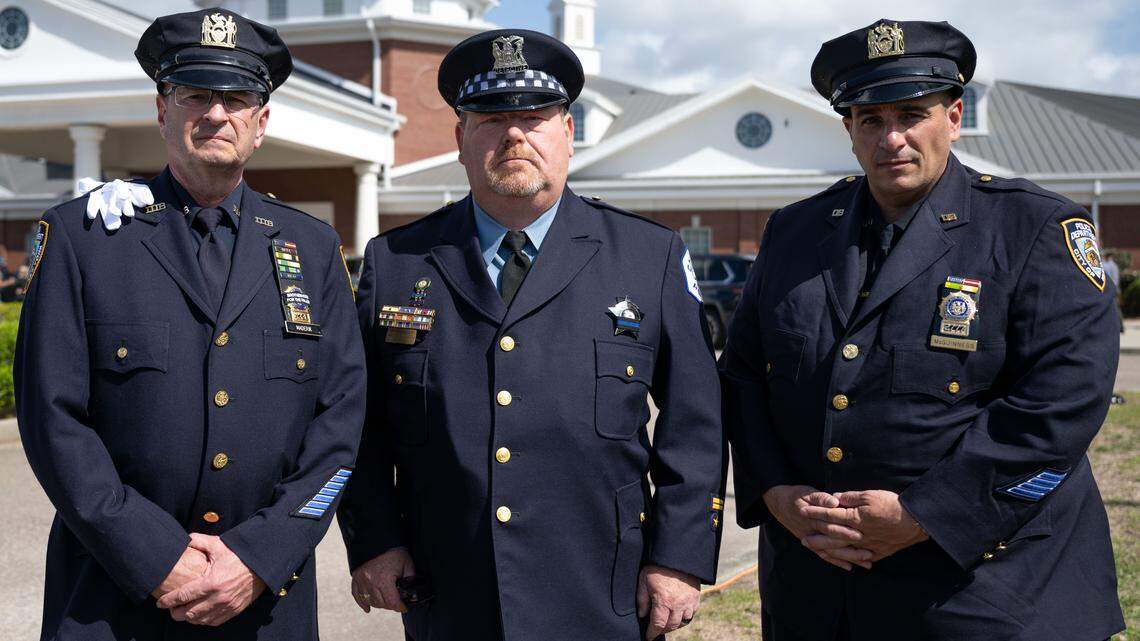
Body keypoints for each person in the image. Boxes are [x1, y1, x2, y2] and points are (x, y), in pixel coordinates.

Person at [721, 19, 1124, 641]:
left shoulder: (1034, 229)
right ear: (849, 129)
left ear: (954, 115)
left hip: (987, 592)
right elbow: (744, 375)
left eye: (912, 113)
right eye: (871, 119)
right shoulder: (794, 234)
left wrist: (922, 516)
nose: (893, 138)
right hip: (818, 593)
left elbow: (1062, 401)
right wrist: (775, 491)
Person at [336, 29, 725, 641]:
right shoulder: (399, 261)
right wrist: (375, 541)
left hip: (604, 588)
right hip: (449, 589)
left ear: (568, 133)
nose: (514, 134)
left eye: (534, 117)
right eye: (491, 118)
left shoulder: (647, 256)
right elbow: (359, 424)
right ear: (460, 138)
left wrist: (678, 559)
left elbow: (696, 425)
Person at [15, 9, 365, 640]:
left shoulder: (312, 250)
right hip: (112, 598)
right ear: (162, 109)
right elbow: (51, 417)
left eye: (236, 98)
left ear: (261, 123)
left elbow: (341, 425)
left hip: (265, 602)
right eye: (195, 94)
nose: (215, 113)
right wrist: (155, 558)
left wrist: (258, 556)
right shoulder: (84, 238)